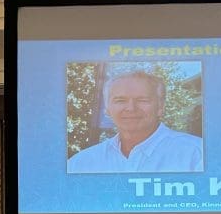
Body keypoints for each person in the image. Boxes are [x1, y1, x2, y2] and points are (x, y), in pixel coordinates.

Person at [67, 70, 203, 173]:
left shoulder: (197, 155)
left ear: (160, 107)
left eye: (142, 100)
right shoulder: (79, 164)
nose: (131, 108)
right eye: (120, 100)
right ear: (107, 109)